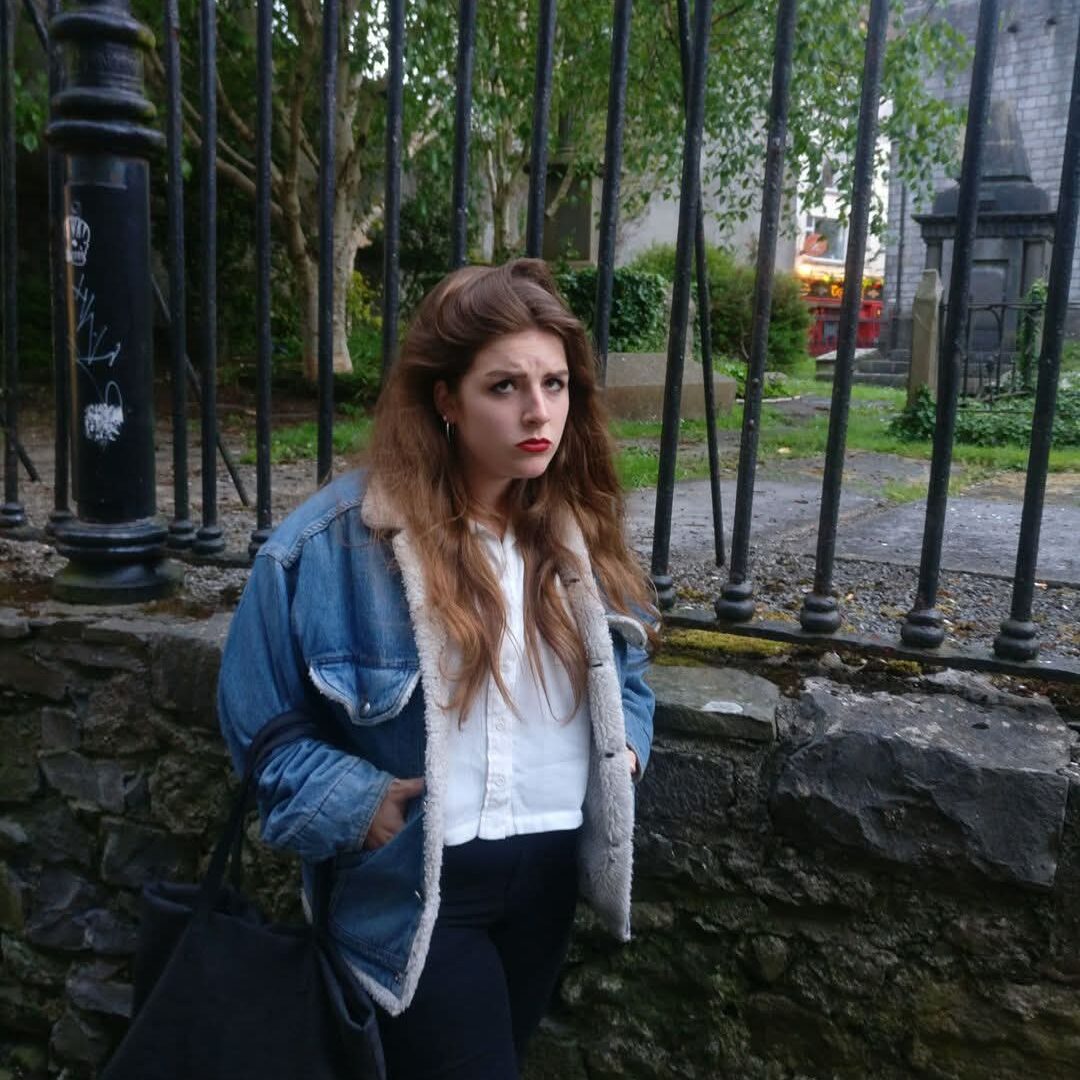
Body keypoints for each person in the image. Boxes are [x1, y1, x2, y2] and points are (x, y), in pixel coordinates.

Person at [217, 258, 658, 1080]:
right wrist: (360, 805)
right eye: (504, 387)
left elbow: (629, 670)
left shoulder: (581, 533)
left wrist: (625, 750)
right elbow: (258, 718)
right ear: (446, 399)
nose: (538, 412)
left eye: (555, 384)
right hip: (417, 891)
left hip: (548, 880)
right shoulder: (331, 545)